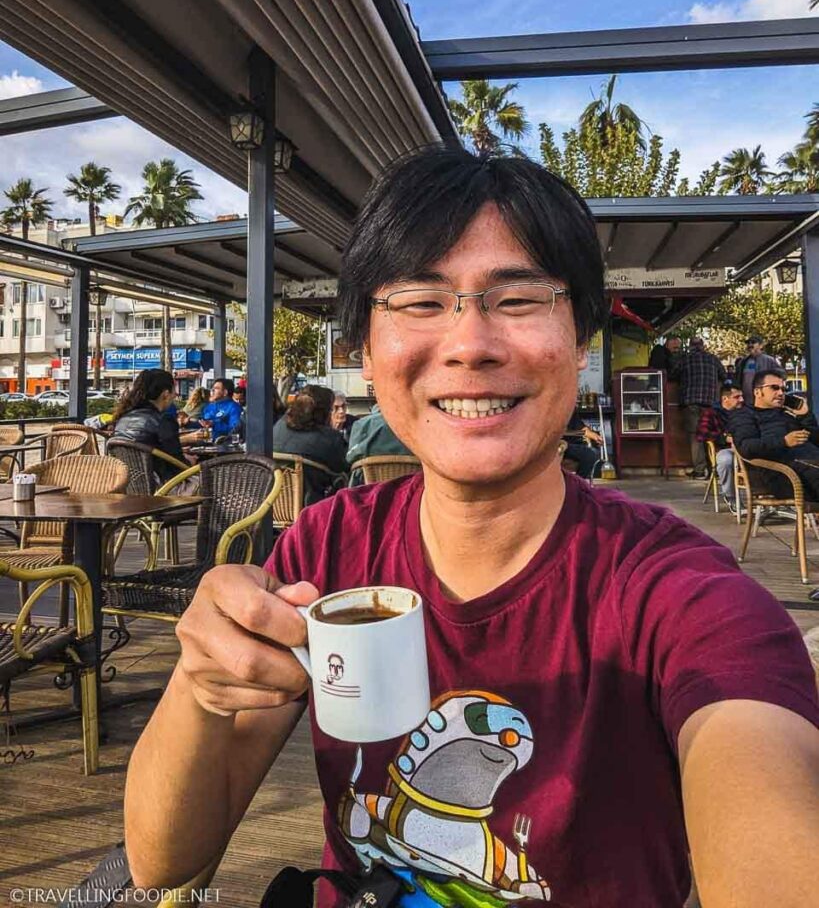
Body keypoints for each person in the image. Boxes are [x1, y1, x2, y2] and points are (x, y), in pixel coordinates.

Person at [125, 149, 818, 908]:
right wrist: (197, 686)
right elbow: (164, 862)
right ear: (365, 346)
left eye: (518, 300)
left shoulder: (677, 595)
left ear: (580, 337)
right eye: (420, 300)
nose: (468, 344)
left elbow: (763, 785)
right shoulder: (325, 550)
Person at [729, 367, 819, 499]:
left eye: (783, 389)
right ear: (757, 392)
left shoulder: (787, 414)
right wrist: (784, 442)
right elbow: (746, 447)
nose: (781, 393)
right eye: (774, 388)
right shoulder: (744, 415)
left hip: (809, 463)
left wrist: (805, 416)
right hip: (781, 473)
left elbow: (816, 441)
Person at [111, 369, 203, 480]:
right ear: (165, 394)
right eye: (174, 390)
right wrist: (189, 461)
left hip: (128, 485)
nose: (176, 395)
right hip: (164, 487)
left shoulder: (123, 419)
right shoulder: (163, 420)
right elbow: (177, 467)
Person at [272, 384, 348, 505]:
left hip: (274, 503)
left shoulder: (278, 427)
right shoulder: (329, 438)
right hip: (311, 506)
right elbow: (341, 469)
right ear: (325, 413)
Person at [678, 336, 726, 479]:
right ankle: (714, 469)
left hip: (691, 402)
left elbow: (673, 374)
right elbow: (723, 375)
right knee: (711, 435)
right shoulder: (713, 359)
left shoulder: (685, 359)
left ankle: (699, 470)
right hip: (710, 403)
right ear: (703, 346)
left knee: (695, 437)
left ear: (690, 346)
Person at [695, 381, 744, 510]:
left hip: (746, 448)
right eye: (737, 397)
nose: (741, 400)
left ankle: (766, 499)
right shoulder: (711, 413)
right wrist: (724, 438)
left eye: (741, 396)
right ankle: (731, 497)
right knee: (726, 460)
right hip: (724, 450)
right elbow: (702, 434)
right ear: (725, 399)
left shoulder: (745, 412)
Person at [346, 403, 415, 484]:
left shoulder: (362, 424)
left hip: (369, 484)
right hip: (413, 483)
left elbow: (350, 458)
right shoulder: (416, 424)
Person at [734, 335, 781, 406]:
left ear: (761, 346)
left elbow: (781, 376)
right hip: (746, 404)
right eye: (748, 343)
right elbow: (737, 380)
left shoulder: (769, 360)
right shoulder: (743, 362)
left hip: (764, 403)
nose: (750, 345)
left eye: (753, 342)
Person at [562, 408, 602, 479]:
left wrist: (594, 436)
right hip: (554, 445)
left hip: (570, 445)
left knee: (591, 454)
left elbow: (580, 427)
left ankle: (577, 482)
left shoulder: (569, 407)